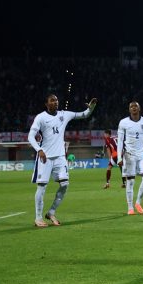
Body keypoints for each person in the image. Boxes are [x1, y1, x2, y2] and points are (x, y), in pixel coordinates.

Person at [28, 94, 97, 227]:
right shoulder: (41, 117)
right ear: (46, 104)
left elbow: (84, 114)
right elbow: (31, 136)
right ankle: (38, 218)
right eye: (52, 101)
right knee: (42, 187)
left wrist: (92, 107)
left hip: (60, 157)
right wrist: (39, 150)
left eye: (56, 100)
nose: (55, 102)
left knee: (64, 185)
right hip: (45, 158)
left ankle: (51, 212)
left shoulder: (64, 114)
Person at [117, 101, 143, 215]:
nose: (133, 108)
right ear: (129, 110)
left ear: (139, 109)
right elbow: (120, 141)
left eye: (135, 106)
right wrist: (119, 157)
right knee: (131, 181)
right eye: (131, 106)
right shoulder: (123, 122)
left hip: (142, 154)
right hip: (129, 155)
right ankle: (130, 207)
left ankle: (138, 203)